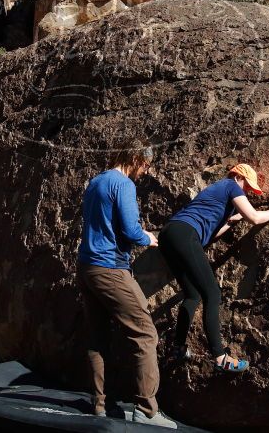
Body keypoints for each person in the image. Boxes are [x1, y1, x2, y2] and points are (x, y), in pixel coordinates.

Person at [77, 140, 177, 429]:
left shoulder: (96, 181)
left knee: (97, 338)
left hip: (86, 266)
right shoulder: (123, 184)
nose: (145, 171)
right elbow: (131, 231)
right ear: (134, 158)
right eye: (144, 164)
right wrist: (148, 237)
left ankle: (99, 406)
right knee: (145, 334)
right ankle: (146, 411)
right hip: (110, 269)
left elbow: (102, 223)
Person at [158, 164, 269, 373]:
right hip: (185, 234)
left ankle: (177, 346)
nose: (246, 193)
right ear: (238, 177)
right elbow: (254, 217)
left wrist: (233, 220)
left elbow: (209, 236)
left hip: (170, 235)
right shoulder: (230, 185)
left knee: (192, 295)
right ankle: (220, 357)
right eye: (247, 187)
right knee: (213, 294)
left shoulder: (216, 192)